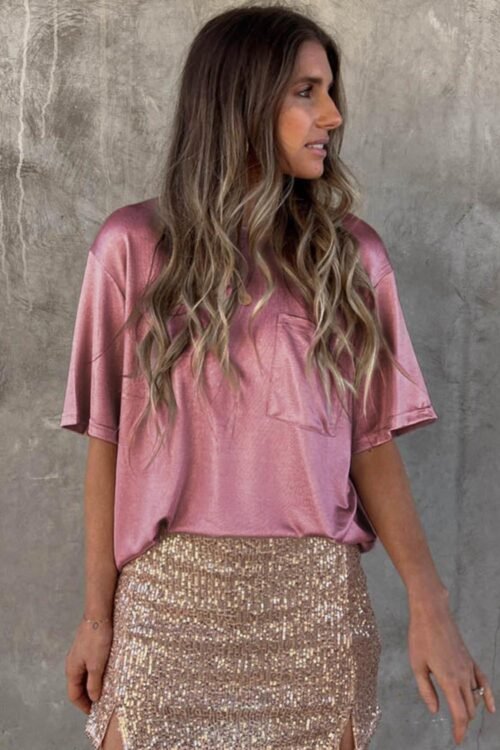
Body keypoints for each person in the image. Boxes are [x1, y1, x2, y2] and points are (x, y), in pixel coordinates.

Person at [61, 4, 495, 749]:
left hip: (314, 614)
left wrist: (432, 606)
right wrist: (98, 618)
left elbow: (371, 445)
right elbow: (109, 442)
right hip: (165, 609)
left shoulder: (350, 257)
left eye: (329, 91)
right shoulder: (130, 245)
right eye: (305, 91)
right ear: (241, 101)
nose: (332, 115)